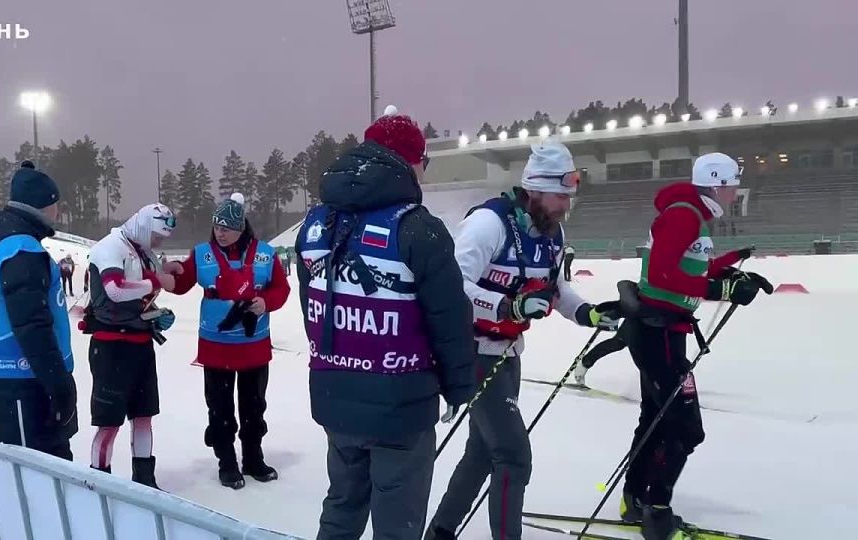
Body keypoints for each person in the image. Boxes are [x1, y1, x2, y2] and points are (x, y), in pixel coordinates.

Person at [295, 105, 476, 540]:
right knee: (398, 524)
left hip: (337, 395)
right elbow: (450, 321)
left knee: (342, 508)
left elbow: (311, 306)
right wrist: (459, 387)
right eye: (424, 162)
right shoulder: (418, 228)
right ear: (410, 162)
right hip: (401, 405)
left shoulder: (316, 222)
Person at [426, 142, 622, 540]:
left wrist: (587, 313)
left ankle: (440, 532)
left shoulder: (553, 231)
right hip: (473, 352)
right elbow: (452, 287)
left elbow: (556, 289)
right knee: (514, 457)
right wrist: (508, 306)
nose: (565, 205)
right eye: (559, 196)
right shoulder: (489, 224)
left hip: (508, 354)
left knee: (483, 452)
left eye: (569, 196)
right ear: (534, 189)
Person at [620, 152, 770, 540]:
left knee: (656, 419)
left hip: (663, 332)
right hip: (657, 332)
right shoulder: (684, 215)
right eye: (733, 184)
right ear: (717, 184)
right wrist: (720, 289)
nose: (736, 192)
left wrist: (731, 268)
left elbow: (690, 266)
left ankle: (634, 498)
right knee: (685, 428)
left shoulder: (691, 215)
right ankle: (656, 512)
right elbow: (661, 274)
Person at [169, 192, 291, 490]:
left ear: (240, 228)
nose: (219, 233)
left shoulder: (265, 254)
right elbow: (181, 284)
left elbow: (282, 289)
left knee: (254, 407)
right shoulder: (202, 254)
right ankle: (226, 462)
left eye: (225, 228)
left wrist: (266, 302)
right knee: (220, 408)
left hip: (254, 346)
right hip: (216, 347)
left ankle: (253, 459)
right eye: (216, 227)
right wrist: (163, 275)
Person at [0, 160, 77, 460]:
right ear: (44, 206)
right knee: (37, 469)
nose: (58, 212)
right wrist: (58, 383)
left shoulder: (2, 242)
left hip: (14, 379)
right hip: (26, 381)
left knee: (34, 469)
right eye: (56, 204)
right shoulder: (21, 250)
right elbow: (32, 325)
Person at [81, 203, 178, 489]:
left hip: (140, 345)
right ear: (144, 227)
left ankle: (145, 480)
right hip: (111, 348)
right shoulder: (109, 247)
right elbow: (116, 289)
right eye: (157, 236)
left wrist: (154, 314)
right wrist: (157, 280)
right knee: (110, 423)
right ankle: (100, 483)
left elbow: (140, 292)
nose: (158, 243)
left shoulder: (142, 250)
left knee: (143, 416)